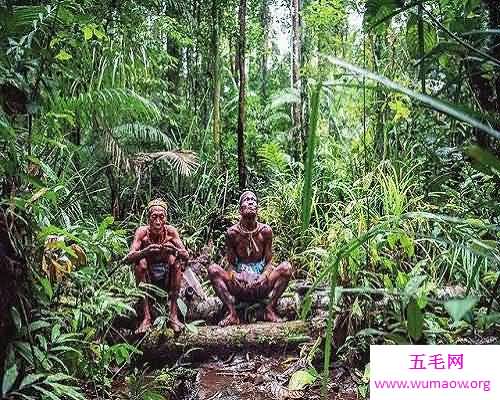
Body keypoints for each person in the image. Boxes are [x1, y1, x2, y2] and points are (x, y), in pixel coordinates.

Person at [208, 190, 292, 327]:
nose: (251, 202)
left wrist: (264, 276)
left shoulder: (266, 232)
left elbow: (269, 261)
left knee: (286, 268)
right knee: (213, 270)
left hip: (261, 284)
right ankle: (232, 313)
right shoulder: (232, 233)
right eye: (247, 200)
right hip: (240, 285)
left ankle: (269, 309)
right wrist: (236, 275)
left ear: (257, 209)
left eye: (254, 200)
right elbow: (231, 264)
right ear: (240, 209)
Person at [124, 199, 188, 333]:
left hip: (167, 280)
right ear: (148, 219)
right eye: (154, 217)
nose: (158, 222)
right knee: (140, 264)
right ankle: (147, 317)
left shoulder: (170, 232)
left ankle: (173, 315)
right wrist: (144, 252)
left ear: (166, 219)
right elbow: (128, 258)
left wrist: (173, 250)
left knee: (175, 261)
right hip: (148, 281)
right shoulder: (142, 233)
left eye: (161, 217)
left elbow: (185, 255)